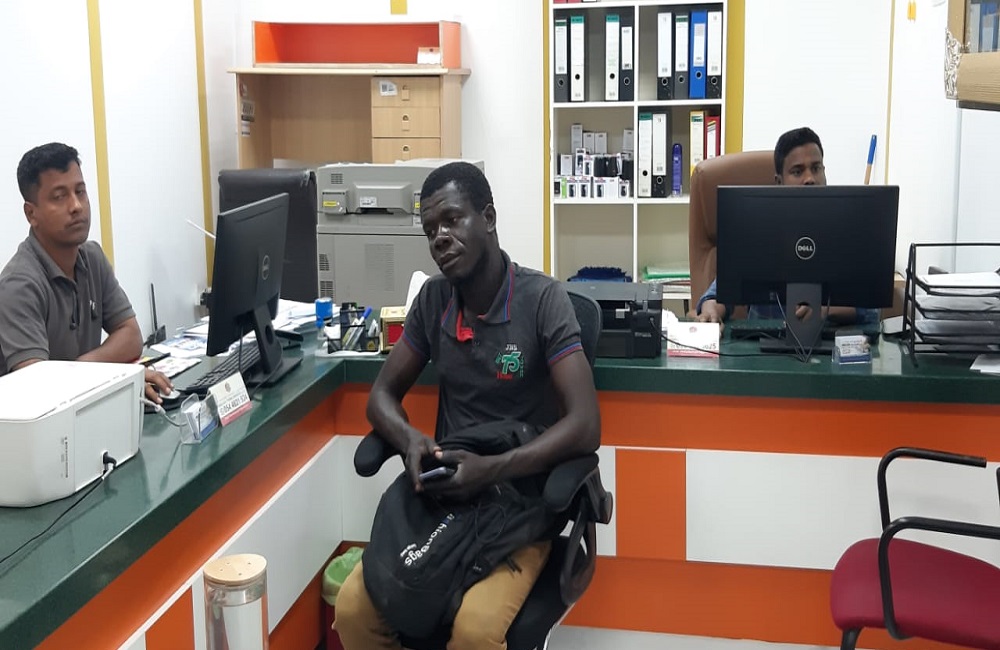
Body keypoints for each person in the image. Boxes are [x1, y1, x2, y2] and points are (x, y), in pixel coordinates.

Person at [334, 162, 601, 650]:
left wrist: (492, 469)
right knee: (352, 610)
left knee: (475, 632)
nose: (440, 238)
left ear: (489, 218)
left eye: (452, 220)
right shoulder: (434, 301)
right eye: (430, 230)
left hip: (519, 503)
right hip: (447, 498)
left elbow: (586, 425)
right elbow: (381, 397)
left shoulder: (543, 300)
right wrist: (410, 440)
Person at [0, 142, 172, 402]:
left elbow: (130, 336)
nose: (76, 206)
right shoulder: (18, 285)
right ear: (31, 213)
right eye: (59, 197)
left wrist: (90, 372)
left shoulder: (92, 257)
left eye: (80, 191)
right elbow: (38, 388)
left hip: (86, 406)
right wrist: (116, 375)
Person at [695, 127, 880, 327]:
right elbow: (719, 295)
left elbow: (871, 310)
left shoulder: (847, 230)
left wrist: (824, 311)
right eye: (798, 171)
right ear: (779, 181)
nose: (810, 179)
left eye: (816, 168)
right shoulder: (756, 231)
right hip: (763, 342)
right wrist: (711, 309)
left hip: (830, 342)